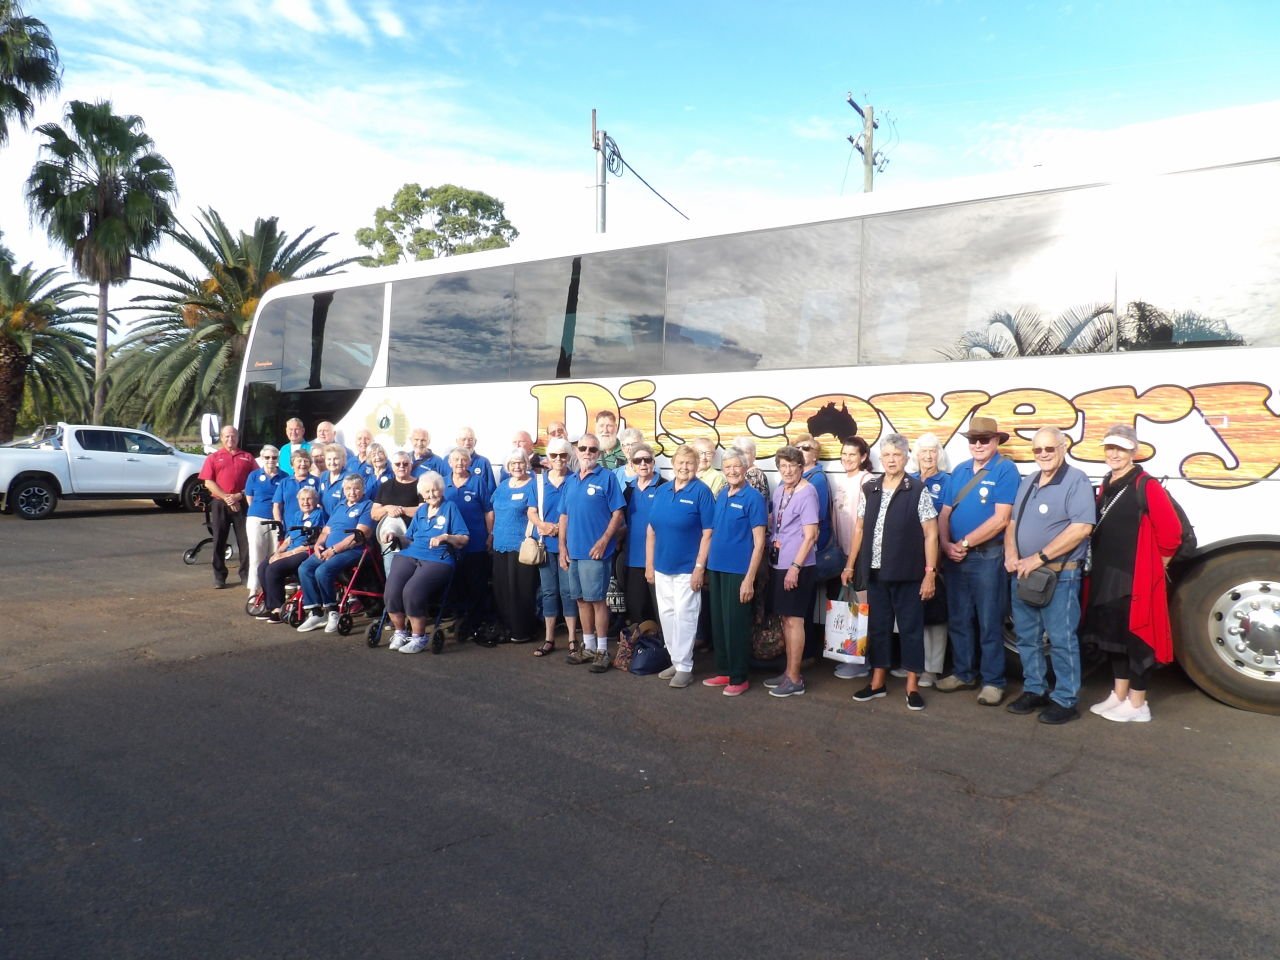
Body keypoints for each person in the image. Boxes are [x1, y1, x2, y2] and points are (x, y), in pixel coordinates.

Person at [1081, 424, 1183, 723]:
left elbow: (1171, 534)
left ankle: (1138, 704)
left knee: (1137, 639)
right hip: (1106, 574)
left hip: (1133, 577)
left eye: (1121, 449)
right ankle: (1119, 694)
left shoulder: (1146, 485)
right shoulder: (1107, 483)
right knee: (1113, 638)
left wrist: (1156, 568)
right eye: (1110, 448)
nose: (1114, 454)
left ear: (1133, 452)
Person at [1004, 427, 1095, 724]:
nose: (1043, 454)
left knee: (1061, 640)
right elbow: (1012, 524)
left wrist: (1038, 557)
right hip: (1024, 574)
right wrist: (1011, 555)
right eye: (1037, 450)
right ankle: (1035, 690)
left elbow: (1081, 528)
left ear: (1063, 447)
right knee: (1027, 638)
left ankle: (1065, 699)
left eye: (1049, 449)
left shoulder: (1076, 480)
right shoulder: (1029, 480)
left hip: (1059, 576)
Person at [844, 434, 940, 711]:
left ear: (906, 458)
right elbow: (859, 528)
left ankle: (912, 686)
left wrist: (930, 573)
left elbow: (931, 534)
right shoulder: (871, 488)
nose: (891, 460)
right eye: (886, 455)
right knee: (878, 628)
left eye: (896, 455)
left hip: (908, 574)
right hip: (876, 573)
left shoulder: (916, 489)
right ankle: (877, 682)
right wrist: (850, 564)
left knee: (911, 630)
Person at [936, 416, 1021, 706]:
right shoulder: (960, 470)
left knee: (989, 621)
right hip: (956, 558)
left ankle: (993, 681)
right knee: (959, 619)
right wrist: (945, 544)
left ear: (996, 441)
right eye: (974, 439)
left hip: (988, 557)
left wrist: (964, 543)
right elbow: (945, 513)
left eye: (984, 439)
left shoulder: (1005, 469)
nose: (978, 444)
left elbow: (1001, 519)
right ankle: (964, 673)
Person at [645, 445, 715, 688]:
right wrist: (649, 564)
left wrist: (699, 567)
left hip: (687, 568)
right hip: (662, 565)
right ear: (673, 464)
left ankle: (685, 667)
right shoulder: (662, 491)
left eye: (689, 463)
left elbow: (708, 533)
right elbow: (651, 530)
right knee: (667, 615)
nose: (684, 467)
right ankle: (676, 660)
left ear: (696, 466)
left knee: (685, 615)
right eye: (681, 462)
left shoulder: (702, 492)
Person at [382, 471, 471, 654]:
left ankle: (419, 637)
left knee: (411, 591)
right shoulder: (421, 510)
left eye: (435, 490)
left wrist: (446, 537)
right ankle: (400, 632)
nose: (431, 495)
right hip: (411, 553)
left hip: (438, 558)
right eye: (427, 491)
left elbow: (464, 538)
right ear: (421, 493)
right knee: (391, 591)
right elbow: (408, 538)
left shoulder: (450, 508)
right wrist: (395, 536)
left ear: (441, 490)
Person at [558, 432, 626, 670]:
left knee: (597, 601)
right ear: (577, 451)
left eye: (592, 449)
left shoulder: (607, 478)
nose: (587, 453)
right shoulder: (570, 481)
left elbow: (618, 513)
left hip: (596, 553)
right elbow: (564, 515)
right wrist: (562, 546)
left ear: (599, 453)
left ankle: (602, 650)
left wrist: (604, 540)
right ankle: (587, 647)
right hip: (574, 552)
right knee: (581, 600)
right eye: (583, 448)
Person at [704, 450, 767, 696]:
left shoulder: (753, 498)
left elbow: (759, 543)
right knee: (719, 623)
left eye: (736, 467)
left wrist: (749, 578)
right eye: (727, 467)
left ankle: (739, 676)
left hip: (738, 571)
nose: (732, 471)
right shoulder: (722, 494)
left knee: (736, 625)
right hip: (716, 568)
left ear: (745, 468)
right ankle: (724, 670)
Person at [763, 445, 820, 698]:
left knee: (795, 620)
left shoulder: (808, 492)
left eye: (792, 466)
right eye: (783, 466)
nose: (787, 471)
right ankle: (789, 672)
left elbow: (810, 536)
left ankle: (795, 679)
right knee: (785, 619)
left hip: (797, 566)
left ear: (801, 467)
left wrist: (795, 568)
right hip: (779, 563)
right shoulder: (780, 490)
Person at [296, 474, 374, 633]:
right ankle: (316, 613)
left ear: (363, 489)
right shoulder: (340, 505)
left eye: (356, 488)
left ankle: (332, 611)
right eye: (348, 488)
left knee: (323, 570)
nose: (352, 492)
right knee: (304, 568)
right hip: (328, 549)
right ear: (344, 490)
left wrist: (333, 550)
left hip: (353, 550)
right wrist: (318, 544)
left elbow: (360, 535)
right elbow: (326, 531)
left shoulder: (367, 506)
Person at [829, 436, 875, 681]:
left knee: (861, 609)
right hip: (844, 553)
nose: (847, 458)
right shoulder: (841, 481)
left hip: (860, 556)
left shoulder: (867, 481)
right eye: (844, 454)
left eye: (852, 454)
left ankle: (862, 663)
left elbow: (863, 526)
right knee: (849, 608)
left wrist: (851, 562)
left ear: (863, 457)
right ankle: (851, 657)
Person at [528, 438, 577, 657]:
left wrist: (560, 528)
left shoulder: (575, 480)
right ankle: (549, 639)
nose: (559, 459)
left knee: (568, 591)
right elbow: (531, 511)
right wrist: (542, 525)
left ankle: (573, 639)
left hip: (569, 545)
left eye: (563, 455)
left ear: (569, 457)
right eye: (554, 455)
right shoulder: (539, 482)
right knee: (548, 592)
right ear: (548, 457)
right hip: (546, 544)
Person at [911, 433, 952, 686]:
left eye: (933, 451)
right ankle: (914, 665)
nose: (928, 456)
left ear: (939, 454)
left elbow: (945, 520)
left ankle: (931, 669)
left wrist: (937, 562)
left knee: (934, 612)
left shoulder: (946, 481)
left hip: (935, 555)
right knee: (913, 612)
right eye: (923, 451)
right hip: (910, 556)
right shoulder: (910, 479)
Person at [443, 446, 494, 643]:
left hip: (476, 541)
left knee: (476, 584)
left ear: (469, 462)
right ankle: (459, 620)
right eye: (456, 460)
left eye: (463, 460)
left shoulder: (477, 482)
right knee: (456, 583)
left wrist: (490, 535)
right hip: (451, 544)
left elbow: (488, 510)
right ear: (449, 462)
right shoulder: (443, 483)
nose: (460, 463)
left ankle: (474, 623)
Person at [256, 487, 326, 624]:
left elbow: (315, 542)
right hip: (291, 550)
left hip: (306, 552)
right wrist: (278, 552)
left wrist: (287, 554)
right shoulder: (297, 515)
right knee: (263, 566)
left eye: (309, 499)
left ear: (316, 500)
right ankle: (270, 605)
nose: (305, 502)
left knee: (273, 568)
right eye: (302, 499)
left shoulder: (319, 515)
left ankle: (278, 608)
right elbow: (289, 539)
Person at [491, 449, 539, 645]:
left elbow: (537, 513)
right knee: (502, 589)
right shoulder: (503, 486)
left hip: (522, 545)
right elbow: (493, 511)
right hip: (499, 543)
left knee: (522, 589)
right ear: (508, 467)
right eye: (513, 463)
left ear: (526, 464)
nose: (517, 466)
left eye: (520, 462)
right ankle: (507, 627)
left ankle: (522, 630)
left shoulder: (533, 485)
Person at [199, 424, 257, 589]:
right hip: (220, 503)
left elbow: (254, 481)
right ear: (222, 438)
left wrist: (238, 496)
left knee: (245, 541)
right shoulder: (213, 458)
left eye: (233, 436)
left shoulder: (247, 457)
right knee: (219, 540)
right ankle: (219, 577)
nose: (230, 439)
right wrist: (226, 498)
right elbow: (208, 482)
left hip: (242, 503)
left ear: (238, 438)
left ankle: (246, 575)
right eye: (227, 436)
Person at [622, 442, 665, 628]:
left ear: (653, 462)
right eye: (638, 460)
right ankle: (641, 644)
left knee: (660, 610)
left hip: (659, 558)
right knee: (637, 609)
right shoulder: (628, 490)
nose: (643, 464)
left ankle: (663, 643)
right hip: (633, 558)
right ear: (632, 464)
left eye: (647, 460)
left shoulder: (665, 487)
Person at [243, 444, 284, 596]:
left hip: (276, 520)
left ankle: (271, 589)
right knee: (256, 555)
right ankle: (254, 589)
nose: (270, 460)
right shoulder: (254, 476)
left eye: (274, 457)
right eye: (267, 457)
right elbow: (249, 497)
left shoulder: (284, 476)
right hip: (256, 518)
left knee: (274, 555)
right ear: (262, 458)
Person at [371, 451, 422, 572]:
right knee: (391, 574)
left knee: (412, 575)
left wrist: (400, 510)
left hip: (413, 539)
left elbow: (424, 511)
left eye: (405, 464)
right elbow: (374, 514)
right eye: (398, 464)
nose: (401, 467)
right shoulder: (385, 486)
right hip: (389, 539)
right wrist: (387, 508)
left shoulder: (420, 484)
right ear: (392, 466)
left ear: (411, 465)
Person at [273, 449, 319, 526]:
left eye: (306, 461)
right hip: (289, 526)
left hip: (311, 526)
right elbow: (277, 506)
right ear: (292, 465)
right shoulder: (284, 482)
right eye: (299, 461)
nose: (303, 464)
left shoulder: (317, 481)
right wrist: (279, 524)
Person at [318, 443, 358, 517]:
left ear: (343, 460)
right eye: (329, 459)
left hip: (341, 518)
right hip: (324, 520)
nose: (332, 462)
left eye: (336, 459)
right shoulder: (323, 476)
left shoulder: (350, 478)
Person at [456, 426, 496, 496]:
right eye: (463, 439)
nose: (467, 443)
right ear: (457, 441)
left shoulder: (483, 462)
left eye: (470, 439)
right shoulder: (447, 461)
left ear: (475, 442)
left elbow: (491, 491)